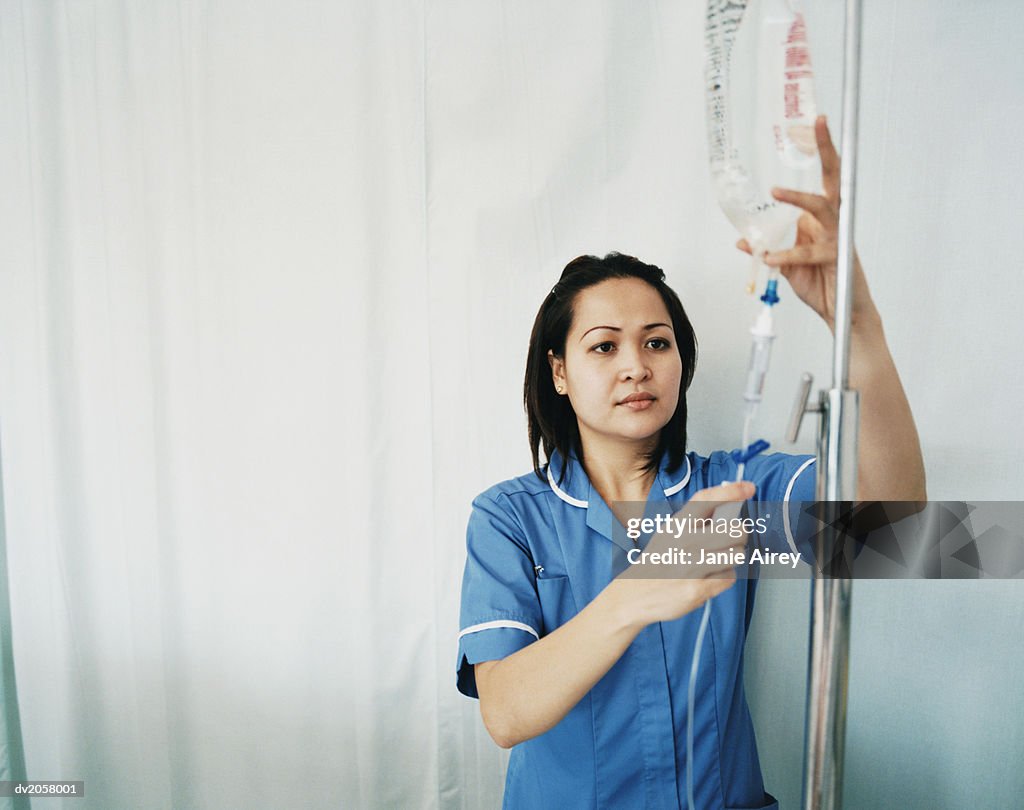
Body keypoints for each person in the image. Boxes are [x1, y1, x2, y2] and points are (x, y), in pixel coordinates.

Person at [456, 117, 926, 809]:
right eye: (604, 347)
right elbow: (505, 714)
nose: (636, 367)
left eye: (656, 342)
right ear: (558, 371)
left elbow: (895, 529)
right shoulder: (509, 517)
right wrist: (633, 593)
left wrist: (857, 326)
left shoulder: (731, 490)